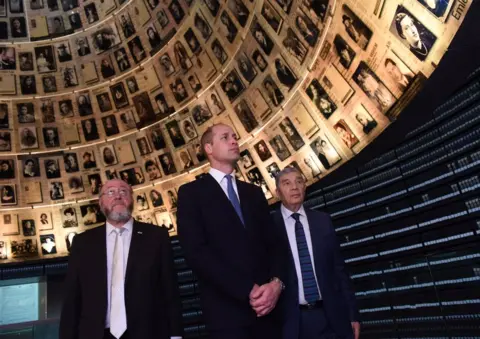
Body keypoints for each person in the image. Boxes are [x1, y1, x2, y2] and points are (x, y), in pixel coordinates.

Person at [177, 124, 285, 339]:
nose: (234, 141)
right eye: (225, 137)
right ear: (208, 148)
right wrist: (248, 289)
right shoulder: (191, 193)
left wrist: (276, 284)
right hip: (225, 315)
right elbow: (196, 251)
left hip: (267, 311)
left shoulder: (253, 192)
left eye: (234, 136)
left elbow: (274, 244)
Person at [59, 179, 182, 339]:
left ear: (131, 199)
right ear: (100, 202)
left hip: (148, 332)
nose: (117, 196)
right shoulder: (83, 243)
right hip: (96, 334)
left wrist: (176, 335)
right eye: (110, 192)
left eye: (123, 191)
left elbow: (170, 289)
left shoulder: (156, 236)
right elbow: (72, 298)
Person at [272, 167, 360, 339]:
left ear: (305, 187)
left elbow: (339, 270)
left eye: (299, 181)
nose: (295, 187)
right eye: (287, 183)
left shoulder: (322, 220)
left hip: (330, 316)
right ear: (277, 192)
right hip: (290, 322)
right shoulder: (268, 225)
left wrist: (352, 314)